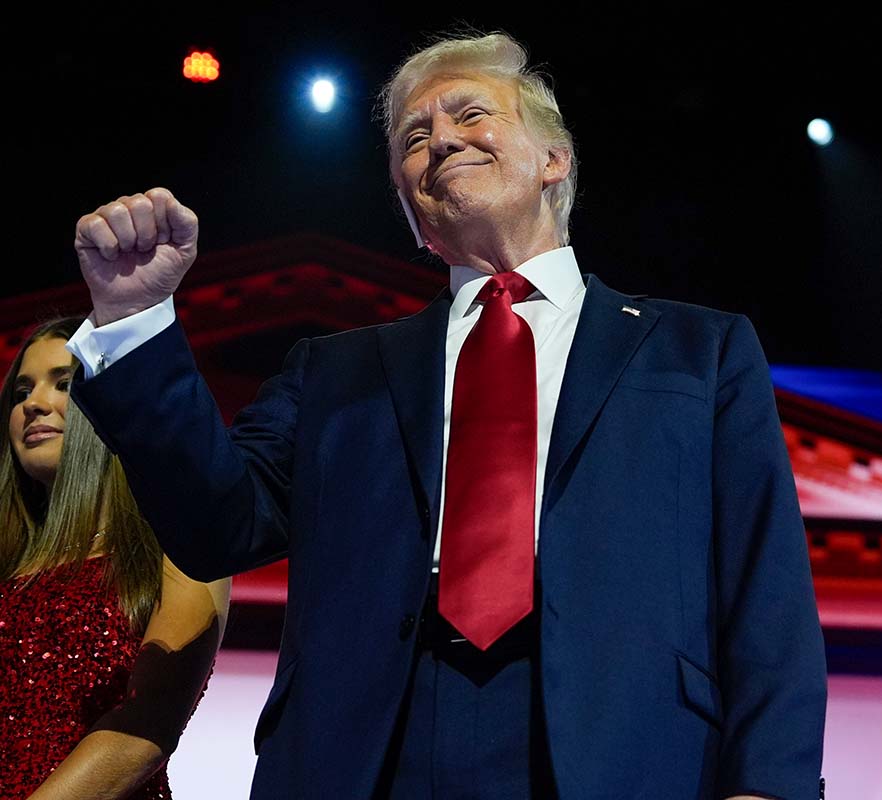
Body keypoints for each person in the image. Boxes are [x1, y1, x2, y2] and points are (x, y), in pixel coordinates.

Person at [65, 32, 826, 800]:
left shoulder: (699, 351)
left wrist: (768, 785)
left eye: (470, 114)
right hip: (368, 750)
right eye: (414, 138)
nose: (441, 141)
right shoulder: (335, 372)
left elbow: (767, 591)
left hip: (622, 747)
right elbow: (215, 524)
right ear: (407, 205)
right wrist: (136, 321)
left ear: (553, 159)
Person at [0, 317, 230, 800]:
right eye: (22, 391)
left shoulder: (180, 544)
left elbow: (145, 727)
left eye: (63, 383)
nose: (32, 404)